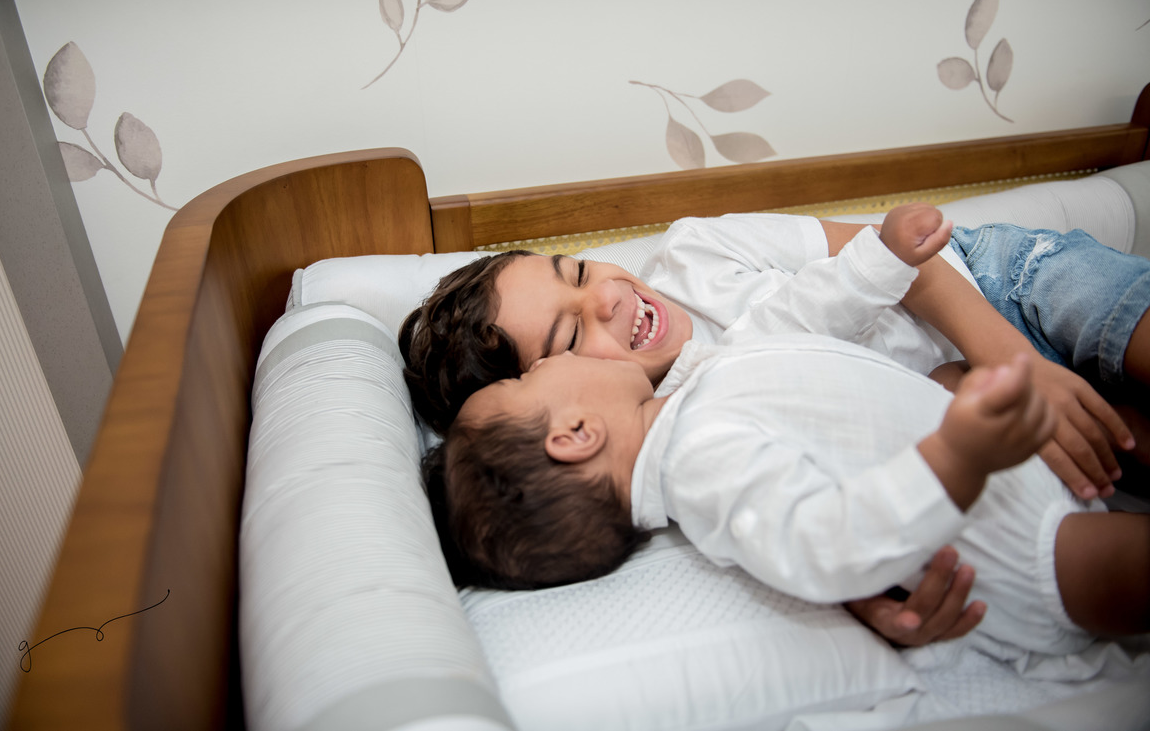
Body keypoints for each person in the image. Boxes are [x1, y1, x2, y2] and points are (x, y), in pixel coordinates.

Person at [401, 204, 1150, 645]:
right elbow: (803, 529)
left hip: (993, 292)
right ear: (572, 433)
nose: (606, 298)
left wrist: (889, 262)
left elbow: (806, 313)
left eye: (577, 269)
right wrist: (861, 586)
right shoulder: (685, 458)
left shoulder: (695, 266)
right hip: (997, 465)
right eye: (564, 343)